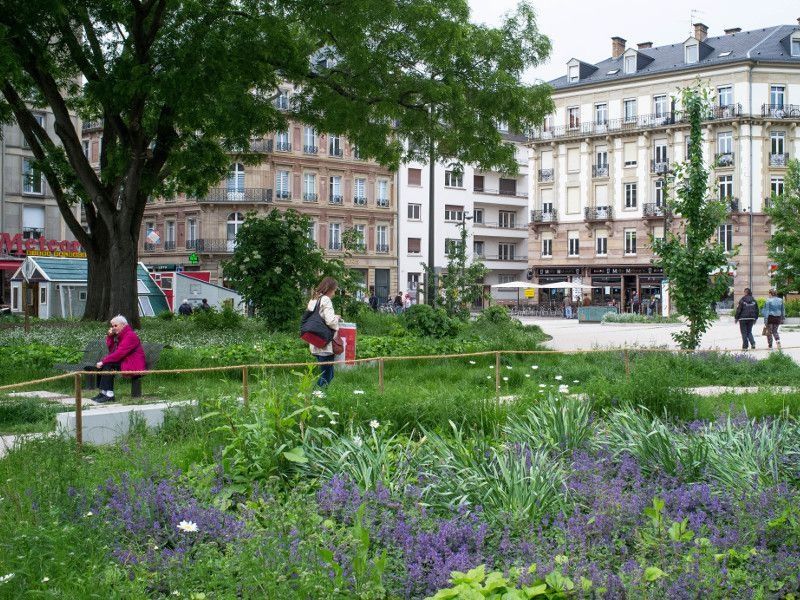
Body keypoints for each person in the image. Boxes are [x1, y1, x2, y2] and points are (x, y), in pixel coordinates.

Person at [88, 315, 146, 403]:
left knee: (107, 364)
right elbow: (112, 350)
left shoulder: (130, 336)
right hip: (126, 361)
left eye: (115, 325)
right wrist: (110, 336)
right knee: (105, 364)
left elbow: (119, 353)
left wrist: (103, 361)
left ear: (123, 325)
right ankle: (104, 392)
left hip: (133, 364)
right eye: (112, 326)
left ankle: (109, 394)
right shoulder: (122, 335)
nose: (113, 328)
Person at [307, 277, 341, 386]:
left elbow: (316, 318)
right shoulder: (326, 300)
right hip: (325, 344)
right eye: (335, 290)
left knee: (327, 374)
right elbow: (330, 321)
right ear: (330, 289)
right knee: (327, 376)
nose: (334, 293)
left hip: (315, 341)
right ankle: (316, 397)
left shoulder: (314, 299)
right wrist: (337, 318)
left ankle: (319, 396)